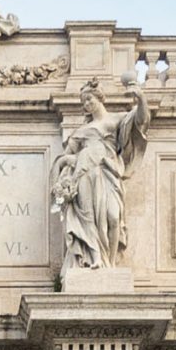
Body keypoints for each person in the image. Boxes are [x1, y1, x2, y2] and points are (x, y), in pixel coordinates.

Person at [53, 81, 149, 269]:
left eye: (89, 99)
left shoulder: (117, 119)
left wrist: (141, 98)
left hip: (108, 172)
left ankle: (110, 263)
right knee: (88, 217)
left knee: (113, 217)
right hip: (85, 175)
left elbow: (141, 120)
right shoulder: (80, 132)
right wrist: (66, 168)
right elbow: (65, 159)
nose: (86, 104)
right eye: (83, 102)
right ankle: (96, 258)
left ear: (100, 98)